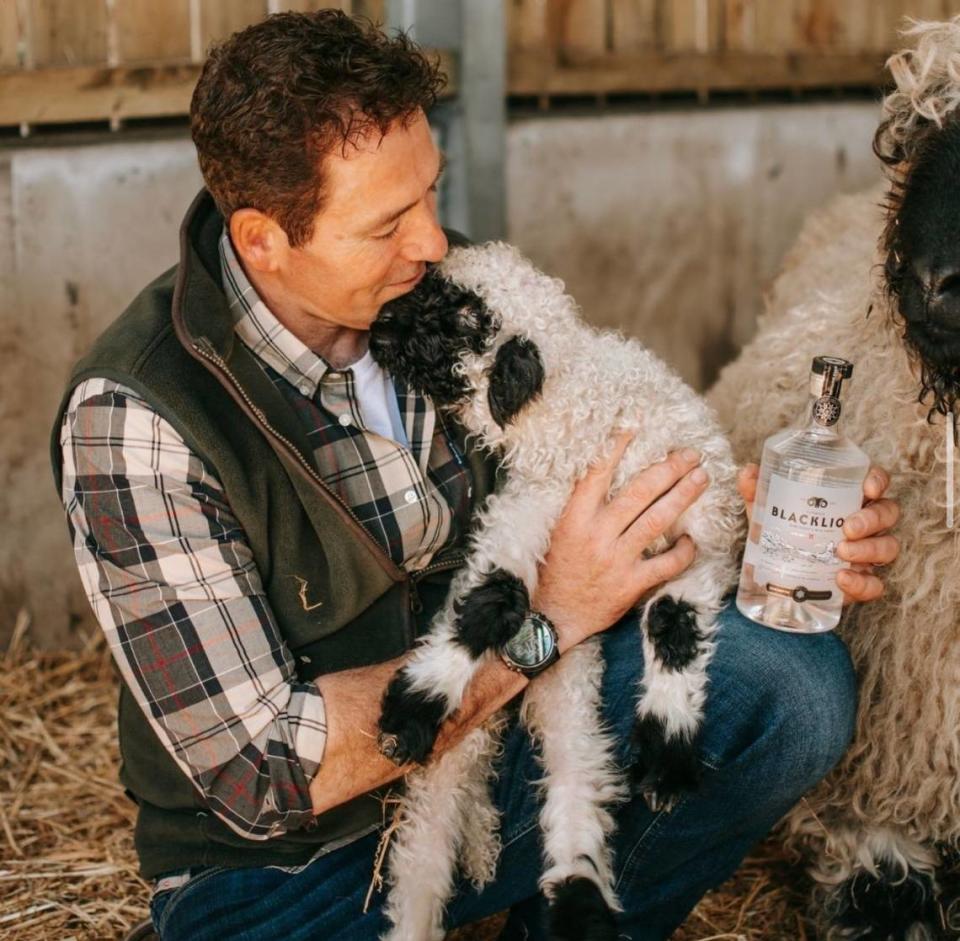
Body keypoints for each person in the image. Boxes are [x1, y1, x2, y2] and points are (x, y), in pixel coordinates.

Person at [51, 11, 901, 941]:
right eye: (385, 222)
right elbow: (271, 774)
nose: (431, 241)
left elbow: (597, 459)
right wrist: (547, 621)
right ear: (263, 240)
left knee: (794, 682)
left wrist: (750, 536)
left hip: (501, 752)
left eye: (429, 194)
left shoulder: (448, 294)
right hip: (291, 867)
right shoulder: (138, 418)